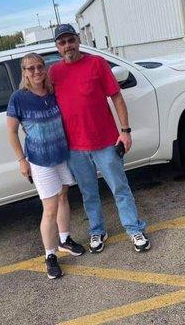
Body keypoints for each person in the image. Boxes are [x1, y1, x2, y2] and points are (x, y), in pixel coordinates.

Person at [49, 24, 150, 254]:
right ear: (57, 48)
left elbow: (116, 98)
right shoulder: (54, 73)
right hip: (75, 148)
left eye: (71, 40)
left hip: (106, 142)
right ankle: (97, 229)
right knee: (89, 193)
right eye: (62, 43)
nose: (68, 46)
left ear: (78, 40)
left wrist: (125, 131)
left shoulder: (96, 63)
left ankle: (134, 228)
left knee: (120, 188)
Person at [6, 52, 85, 279]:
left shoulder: (52, 92)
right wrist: (22, 160)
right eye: (31, 68)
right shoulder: (19, 98)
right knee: (49, 208)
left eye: (40, 66)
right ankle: (50, 255)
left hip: (61, 155)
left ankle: (64, 240)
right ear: (24, 72)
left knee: (63, 196)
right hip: (40, 160)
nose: (37, 71)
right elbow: (11, 131)